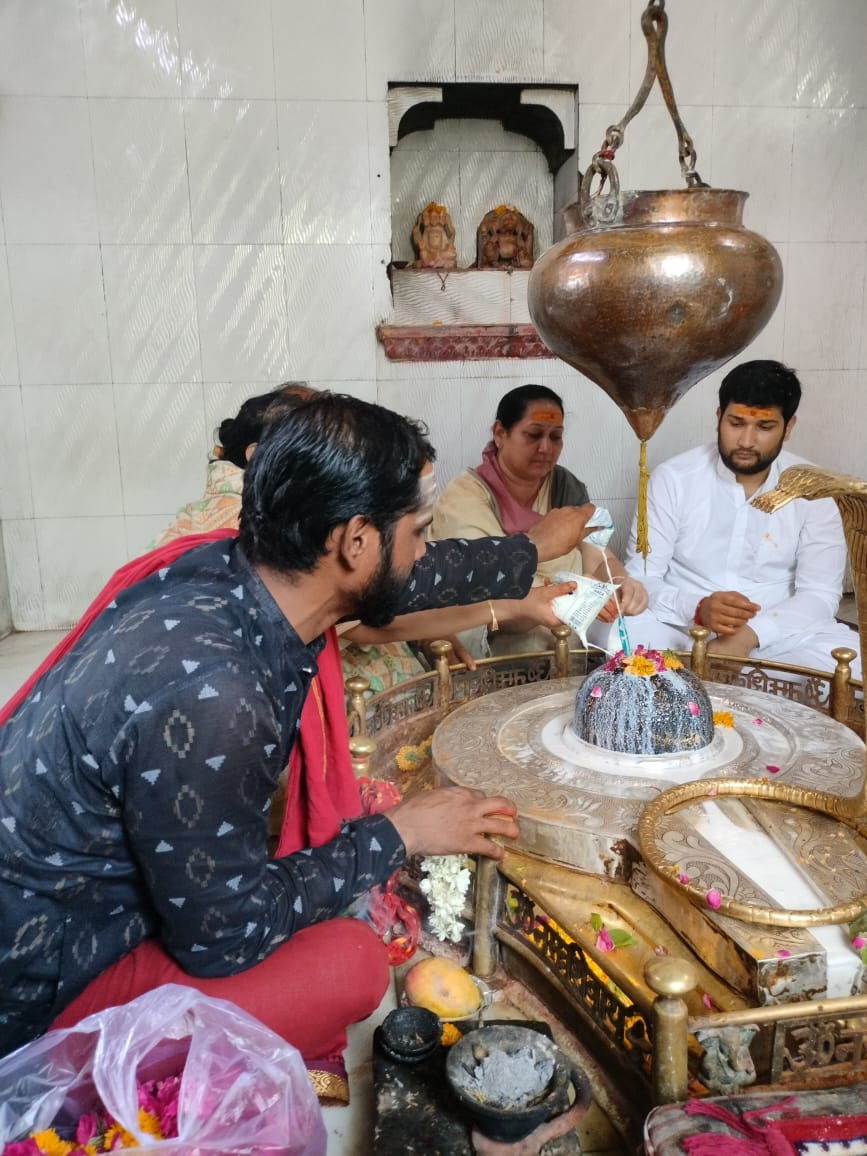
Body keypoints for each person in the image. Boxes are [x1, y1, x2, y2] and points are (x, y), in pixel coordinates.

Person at [0, 392, 596, 1073]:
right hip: (46, 977)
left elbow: (404, 576)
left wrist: (526, 551)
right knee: (349, 964)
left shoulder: (225, 568)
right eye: (419, 530)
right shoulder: (218, 694)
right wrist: (399, 834)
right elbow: (221, 939)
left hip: (60, 908)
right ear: (353, 541)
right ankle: (70, 1064)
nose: (423, 549)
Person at [622, 360, 861, 678]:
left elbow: (819, 595)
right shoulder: (674, 478)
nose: (747, 441)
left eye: (764, 427)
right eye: (736, 423)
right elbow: (641, 578)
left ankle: (705, 680)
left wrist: (750, 635)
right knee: (614, 627)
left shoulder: (815, 492)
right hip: (680, 630)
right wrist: (699, 608)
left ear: (788, 427)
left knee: (856, 664)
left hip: (779, 638)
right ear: (719, 417)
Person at [430, 383, 648, 657]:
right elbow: (482, 592)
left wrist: (621, 583)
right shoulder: (464, 498)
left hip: (565, 636)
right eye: (533, 435)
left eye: (555, 437)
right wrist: (568, 595)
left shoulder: (564, 485)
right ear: (500, 433)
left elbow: (597, 555)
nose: (546, 448)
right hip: (496, 642)